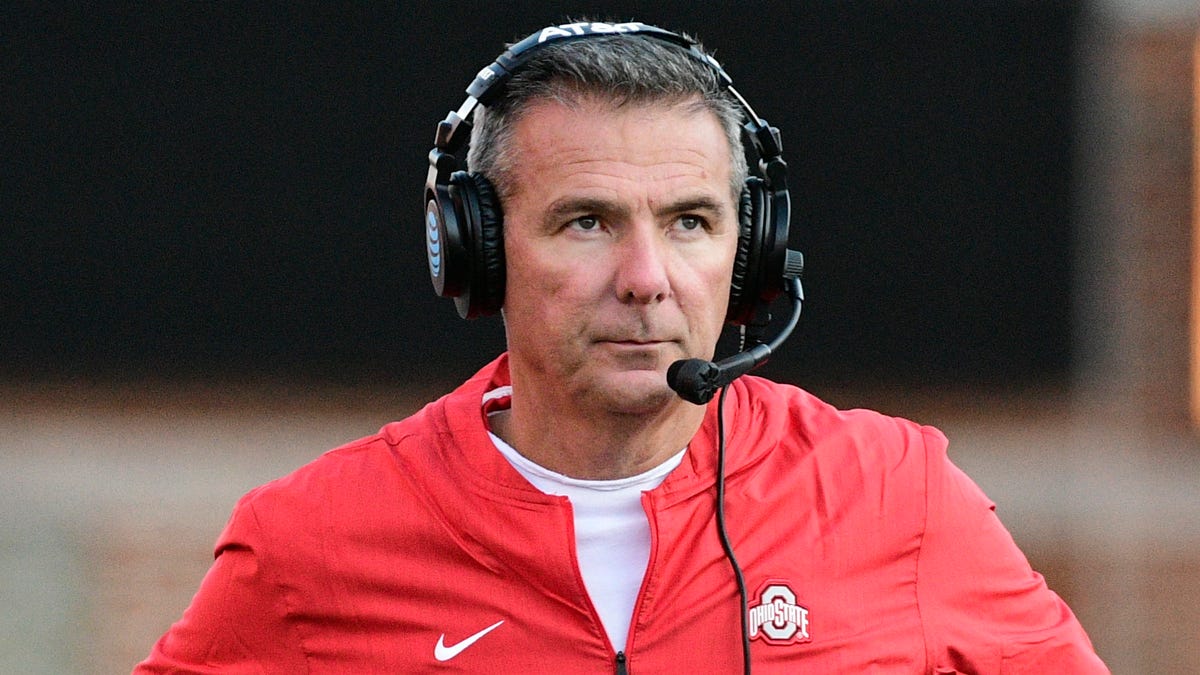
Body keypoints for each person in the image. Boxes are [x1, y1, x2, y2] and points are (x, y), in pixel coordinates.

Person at [136, 21, 1109, 674]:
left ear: (753, 246)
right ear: (475, 250)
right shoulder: (313, 545)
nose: (647, 277)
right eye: (587, 223)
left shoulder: (897, 493)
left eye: (690, 222)